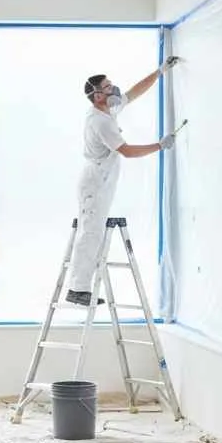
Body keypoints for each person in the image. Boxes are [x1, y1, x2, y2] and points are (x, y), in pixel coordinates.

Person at [65, 57, 180, 307]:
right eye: (108, 87)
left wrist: (160, 71)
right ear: (97, 95)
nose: (114, 89)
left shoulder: (107, 110)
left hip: (100, 182)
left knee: (93, 230)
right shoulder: (100, 121)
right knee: (91, 232)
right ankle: (77, 289)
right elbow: (127, 151)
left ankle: (80, 286)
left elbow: (133, 93)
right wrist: (159, 146)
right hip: (95, 183)